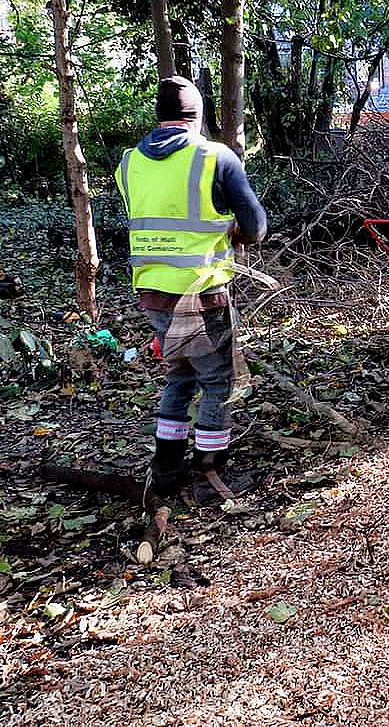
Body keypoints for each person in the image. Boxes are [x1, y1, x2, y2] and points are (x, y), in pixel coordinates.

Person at [115, 76, 267, 502]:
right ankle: (209, 477)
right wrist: (232, 233)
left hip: (152, 291)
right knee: (218, 381)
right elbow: (256, 228)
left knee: (179, 373)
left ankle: (165, 469)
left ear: (159, 114)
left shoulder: (128, 163)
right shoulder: (214, 157)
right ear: (196, 116)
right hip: (201, 293)